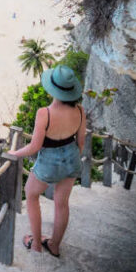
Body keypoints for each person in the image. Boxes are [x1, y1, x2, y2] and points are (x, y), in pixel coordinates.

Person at [7, 64, 86, 257]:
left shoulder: (45, 113)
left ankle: (35, 244)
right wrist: (71, 159)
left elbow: (34, 147)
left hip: (49, 162)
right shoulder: (80, 111)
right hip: (72, 158)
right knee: (62, 203)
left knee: (31, 195)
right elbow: (81, 142)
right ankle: (54, 245)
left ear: (53, 88)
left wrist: (13, 154)